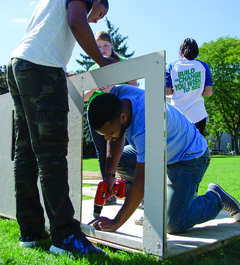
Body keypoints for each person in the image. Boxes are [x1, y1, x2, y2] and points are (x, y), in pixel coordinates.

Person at [7, 0, 115, 255]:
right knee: (52, 154)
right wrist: (101, 62)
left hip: (19, 64)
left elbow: (66, 26)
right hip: (41, 68)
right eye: (98, 14)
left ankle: (30, 231)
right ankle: (65, 235)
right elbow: (76, 22)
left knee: (27, 152)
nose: (94, 21)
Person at [87, 85, 240, 233]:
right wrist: (109, 176)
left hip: (189, 157)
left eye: (109, 132)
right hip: (163, 153)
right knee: (118, 160)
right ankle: (159, 202)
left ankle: (216, 198)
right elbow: (115, 139)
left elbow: (142, 182)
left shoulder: (147, 124)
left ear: (123, 116)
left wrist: (116, 222)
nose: (108, 138)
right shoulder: (117, 95)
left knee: (173, 222)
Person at [84, 31, 138, 195]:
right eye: (98, 46)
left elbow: (135, 88)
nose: (102, 49)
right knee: (102, 153)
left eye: (105, 45)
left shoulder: (122, 62)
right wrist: (95, 84)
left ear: (112, 45)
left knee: (127, 151)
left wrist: (113, 86)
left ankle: (134, 189)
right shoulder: (93, 68)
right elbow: (85, 97)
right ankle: (108, 192)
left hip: (119, 114)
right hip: (97, 115)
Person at [166, 38, 213, 135]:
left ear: (181, 53)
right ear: (196, 53)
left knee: (179, 147)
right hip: (198, 115)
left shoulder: (171, 66)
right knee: (195, 147)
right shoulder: (203, 66)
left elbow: (168, 92)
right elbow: (208, 93)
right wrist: (196, 90)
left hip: (178, 114)